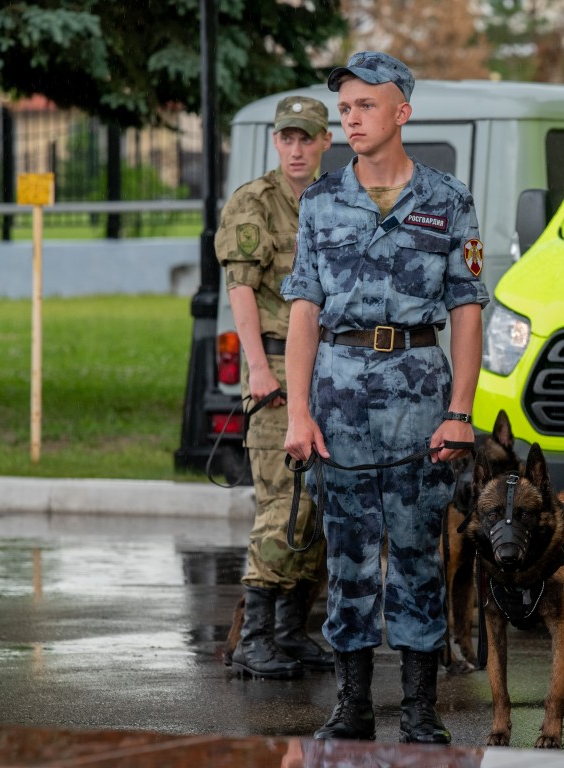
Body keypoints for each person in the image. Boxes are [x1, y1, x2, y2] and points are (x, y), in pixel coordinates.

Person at [281, 51, 489, 744]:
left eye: (364, 105)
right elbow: (305, 307)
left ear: (403, 110)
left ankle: (422, 708)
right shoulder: (320, 200)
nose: (350, 119)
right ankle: (353, 704)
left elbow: (465, 310)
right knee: (346, 558)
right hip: (338, 397)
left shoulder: (446, 199)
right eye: (344, 109)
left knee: (419, 555)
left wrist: (460, 412)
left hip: (418, 395)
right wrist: (298, 413)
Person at [215, 95, 334, 680]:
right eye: (287, 138)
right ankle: (253, 637)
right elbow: (241, 292)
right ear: (275, 142)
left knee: (317, 508)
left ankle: (291, 632)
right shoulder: (254, 202)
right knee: (282, 503)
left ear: (323, 142)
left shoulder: (334, 199)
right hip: (276, 366)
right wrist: (257, 370)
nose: (296, 148)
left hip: (327, 369)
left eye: (306, 138)